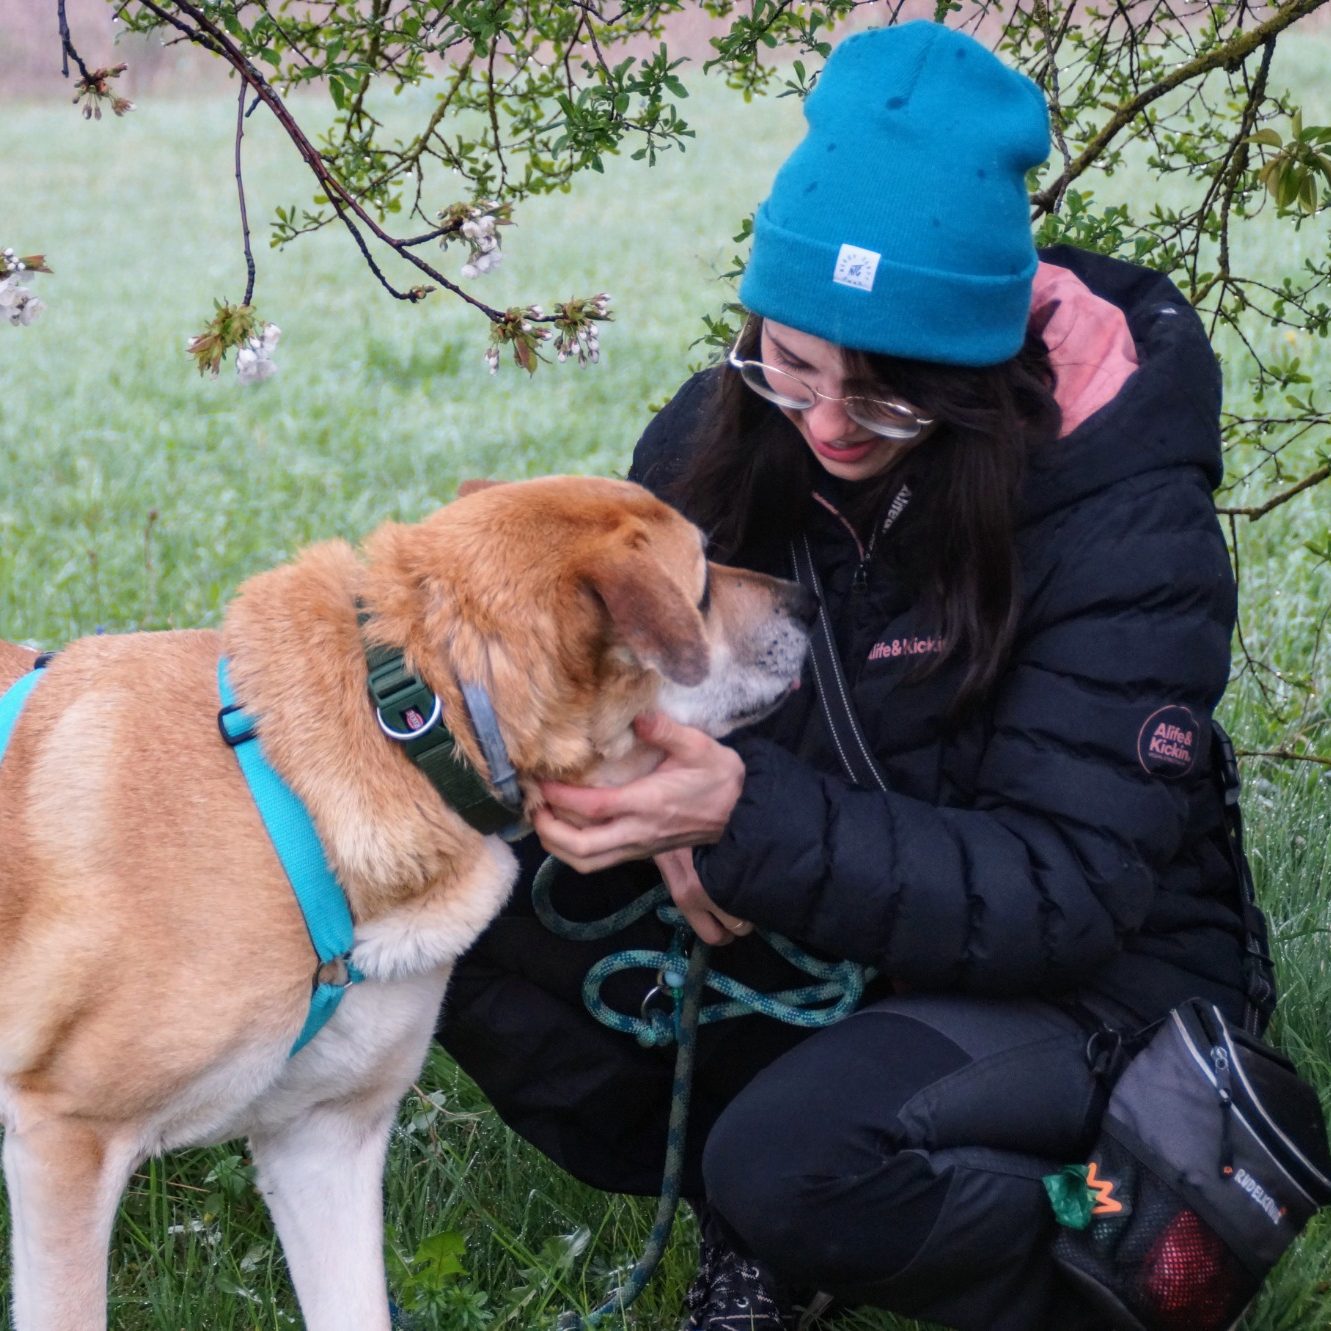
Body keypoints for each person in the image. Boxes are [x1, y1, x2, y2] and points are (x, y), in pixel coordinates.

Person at [438, 20, 1258, 1331]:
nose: (822, 427)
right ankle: (761, 1215)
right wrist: (650, 807)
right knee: (466, 903)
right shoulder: (730, 429)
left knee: (800, 1163)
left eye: (882, 404)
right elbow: (633, 674)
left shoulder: (1123, 517)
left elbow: (1069, 889)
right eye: (793, 368)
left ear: (977, 378)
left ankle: (1120, 1231)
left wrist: (736, 821)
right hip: (831, 916)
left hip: (1090, 985)